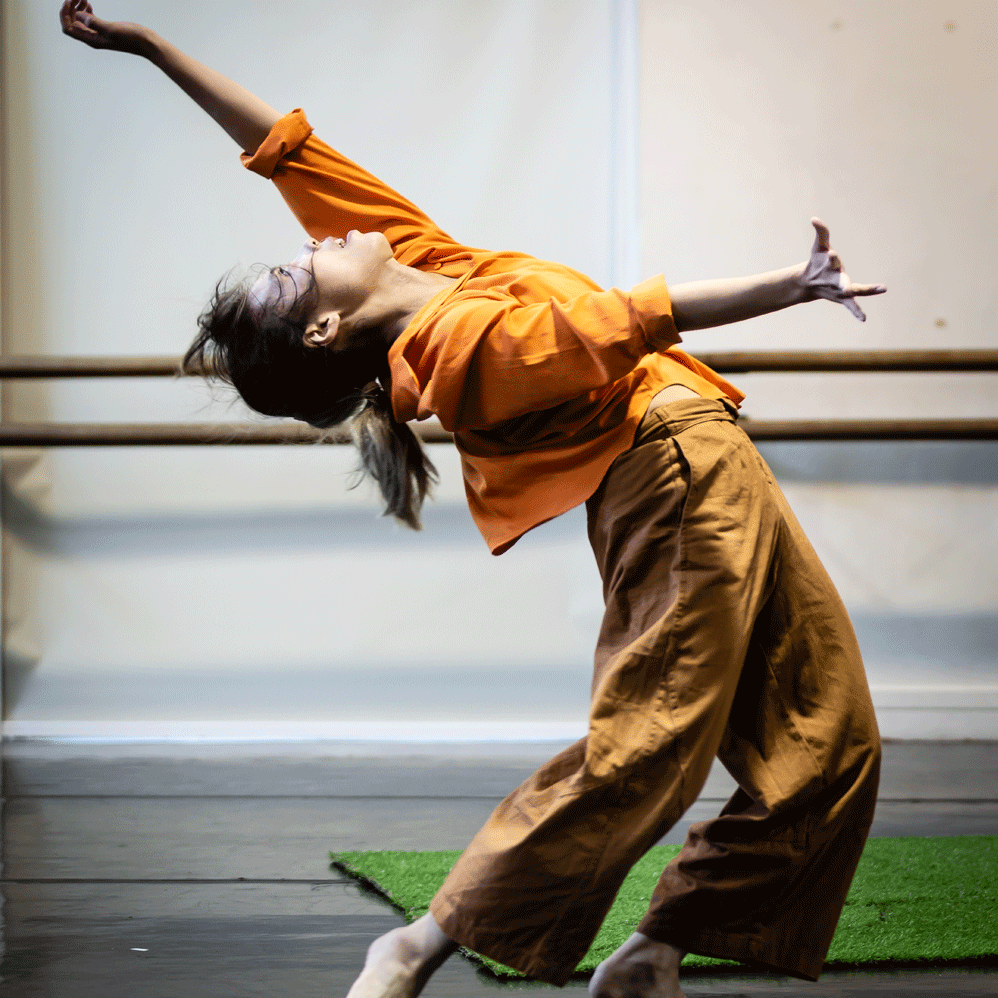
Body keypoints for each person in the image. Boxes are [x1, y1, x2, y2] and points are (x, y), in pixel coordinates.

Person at [61, 4, 886, 997]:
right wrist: (791, 283)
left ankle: (655, 948)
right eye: (296, 267)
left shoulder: (428, 269)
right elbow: (629, 318)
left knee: (829, 738)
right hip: (676, 481)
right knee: (647, 742)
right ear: (325, 329)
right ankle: (417, 944)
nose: (317, 241)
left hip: (710, 461)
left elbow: (286, 150)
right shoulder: (467, 352)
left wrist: (152, 49)